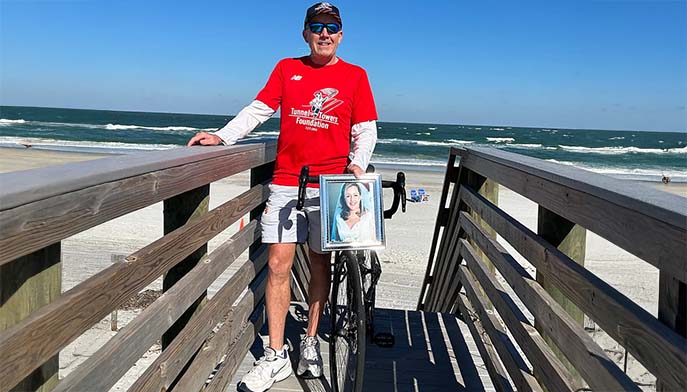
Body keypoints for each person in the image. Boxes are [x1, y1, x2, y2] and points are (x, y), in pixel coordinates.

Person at [187, 3, 377, 391]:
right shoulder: (286, 68)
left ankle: (308, 340)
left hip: (330, 186)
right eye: (317, 27)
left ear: (342, 35)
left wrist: (357, 165)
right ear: (305, 33)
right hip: (288, 181)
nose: (325, 34)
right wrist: (223, 137)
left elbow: (365, 129)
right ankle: (275, 355)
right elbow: (258, 110)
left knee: (320, 263)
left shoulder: (356, 76)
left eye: (332, 28)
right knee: (277, 263)